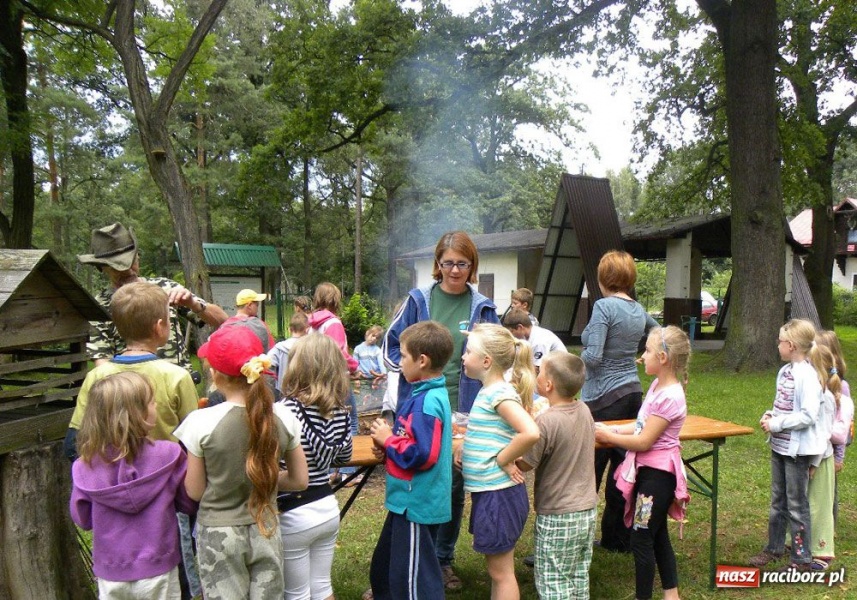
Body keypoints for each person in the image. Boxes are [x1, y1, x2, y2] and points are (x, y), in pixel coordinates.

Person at [382, 231, 500, 591]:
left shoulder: (483, 307)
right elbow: (390, 346)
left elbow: (497, 354)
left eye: (462, 264)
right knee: (415, 478)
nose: (454, 270)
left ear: (472, 266)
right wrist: (412, 373)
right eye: (448, 263)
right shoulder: (419, 299)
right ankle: (405, 558)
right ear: (437, 264)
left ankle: (441, 559)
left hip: (465, 409)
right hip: (421, 405)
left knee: (452, 483)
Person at [174, 325, 309, 599]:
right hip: (266, 528)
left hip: (218, 534)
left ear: (216, 375)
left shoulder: (199, 423)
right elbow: (299, 480)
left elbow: (195, 491)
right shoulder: (284, 417)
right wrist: (264, 475)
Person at [70, 372, 198, 600]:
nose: (155, 406)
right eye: (151, 402)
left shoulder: (84, 466)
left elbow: (83, 519)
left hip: (111, 573)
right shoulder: (169, 454)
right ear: (137, 415)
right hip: (159, 566)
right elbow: (188, 503)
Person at [593, 325, 691, 600]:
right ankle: (672, 595)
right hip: (647, 473)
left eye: (647, 350)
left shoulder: (670, 397)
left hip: (658, 478)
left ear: (663, 358)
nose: (641, 356)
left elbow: (644, 442)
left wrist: (608, 437)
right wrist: (608, 429)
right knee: (657, 534)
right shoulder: (658, 386)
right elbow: (639, 427)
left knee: (642, 537)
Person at [367, 321, 455, 600]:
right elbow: (410, 438)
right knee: (386, 567)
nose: (399, 361)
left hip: (417, 503)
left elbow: (424, 455)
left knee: (415, 582)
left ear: (422, 361)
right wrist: (389, 448)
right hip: (405, 502)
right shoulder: (420, 393)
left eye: (403, 356)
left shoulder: (428, 401)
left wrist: (389, 440)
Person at [64, 282, 198, 458]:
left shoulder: (97, 376)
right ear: (159, 327)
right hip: (165, 479)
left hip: (110, 481)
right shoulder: (177, 377)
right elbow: (195, 439)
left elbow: (74, 441)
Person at [580, 250, 658, 553]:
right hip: (631, 394)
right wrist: (645, 352)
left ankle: (577, 541)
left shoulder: (603, 307)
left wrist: (571, 363)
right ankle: (617, 538)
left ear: (603, 278)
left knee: (589, 471)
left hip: (602, 397)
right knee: (623, 468)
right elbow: (659, 331)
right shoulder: (637, 309)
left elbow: (594, 357)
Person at [78, 222, 228, 374]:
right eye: (117, 267)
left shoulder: (165, 287)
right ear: (101, 268)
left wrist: (193, 304)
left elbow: (223, 320)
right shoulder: (99, 307)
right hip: (138, 393)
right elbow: (102, 364)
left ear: (138, 257)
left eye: (132, 262)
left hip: (181, 387)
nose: (128, 270)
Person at [459, 323, 540, 600]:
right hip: (492, 494)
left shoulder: (499, 393)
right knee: (498, 572)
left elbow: (530, 432)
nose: (463, 357)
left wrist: (505, 459)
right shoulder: (490, 391)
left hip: (499, 496)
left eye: (468, 351)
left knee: (501, 573)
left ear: (485, 361)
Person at [277, 334, 353, 600]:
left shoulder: (285, 410)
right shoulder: (341, 411)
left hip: (293, 511)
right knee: (322, 587)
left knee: (295, 593)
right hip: (326, 508)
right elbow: (344, 457)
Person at [516, 352, 597, 600]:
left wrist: (509, 451)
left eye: (540, 372)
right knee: (577, 576)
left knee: (553, 582)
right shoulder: (584, 409)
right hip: (587, 510)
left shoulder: (547, 422)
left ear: (548, 385)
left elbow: (525, 463)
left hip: (558, 515)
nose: (537, 374)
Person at [748, 318, 825, 571]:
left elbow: (808, 415)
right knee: (777, 501)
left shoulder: (807, 376)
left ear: (791, 345)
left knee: (796, 504)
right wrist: (770, 415)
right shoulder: (785, 372)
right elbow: (782, 405)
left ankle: (802, 558)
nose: (777, 344)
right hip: (779, 447)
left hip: (796, 452)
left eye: (780, 341)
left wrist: (778, 424)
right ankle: (774, 547)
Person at [308, 282, 360, 484]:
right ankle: (348, 471)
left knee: (327, 422)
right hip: (337, 379)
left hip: (318, 379)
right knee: (350, 421)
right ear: (335, 299)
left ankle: (329, 470)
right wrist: (355, 366)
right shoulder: (333, 323)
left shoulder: (313, 325)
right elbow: (338, 352)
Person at [803, 342, 838, 570]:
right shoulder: (812, 394)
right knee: (803, 503)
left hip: (820, 460)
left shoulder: (826, 399)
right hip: (807, 458)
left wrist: (814, 462)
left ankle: (821, 552)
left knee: (819, 507)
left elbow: (824, 434)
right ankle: (797, 544)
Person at [816, 330, 854, 527]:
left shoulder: (841, 386)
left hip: (832, 447)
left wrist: (839, 457)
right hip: (817, 446)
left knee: (831, 487)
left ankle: (829, 526)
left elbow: (843, 426)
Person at [503, 308, 567, 371]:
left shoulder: (539, 341)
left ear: (520, 327)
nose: (511, 335)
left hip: (560, 372)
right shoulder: (528, 336)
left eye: (511, 331)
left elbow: (536, 370)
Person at [268, 312, 309, 394]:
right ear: (307, 329)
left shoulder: (280, 347)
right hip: (304, 390)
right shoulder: (310, 348)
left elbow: (268, 362)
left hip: (284, 390)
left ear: (289, 329)